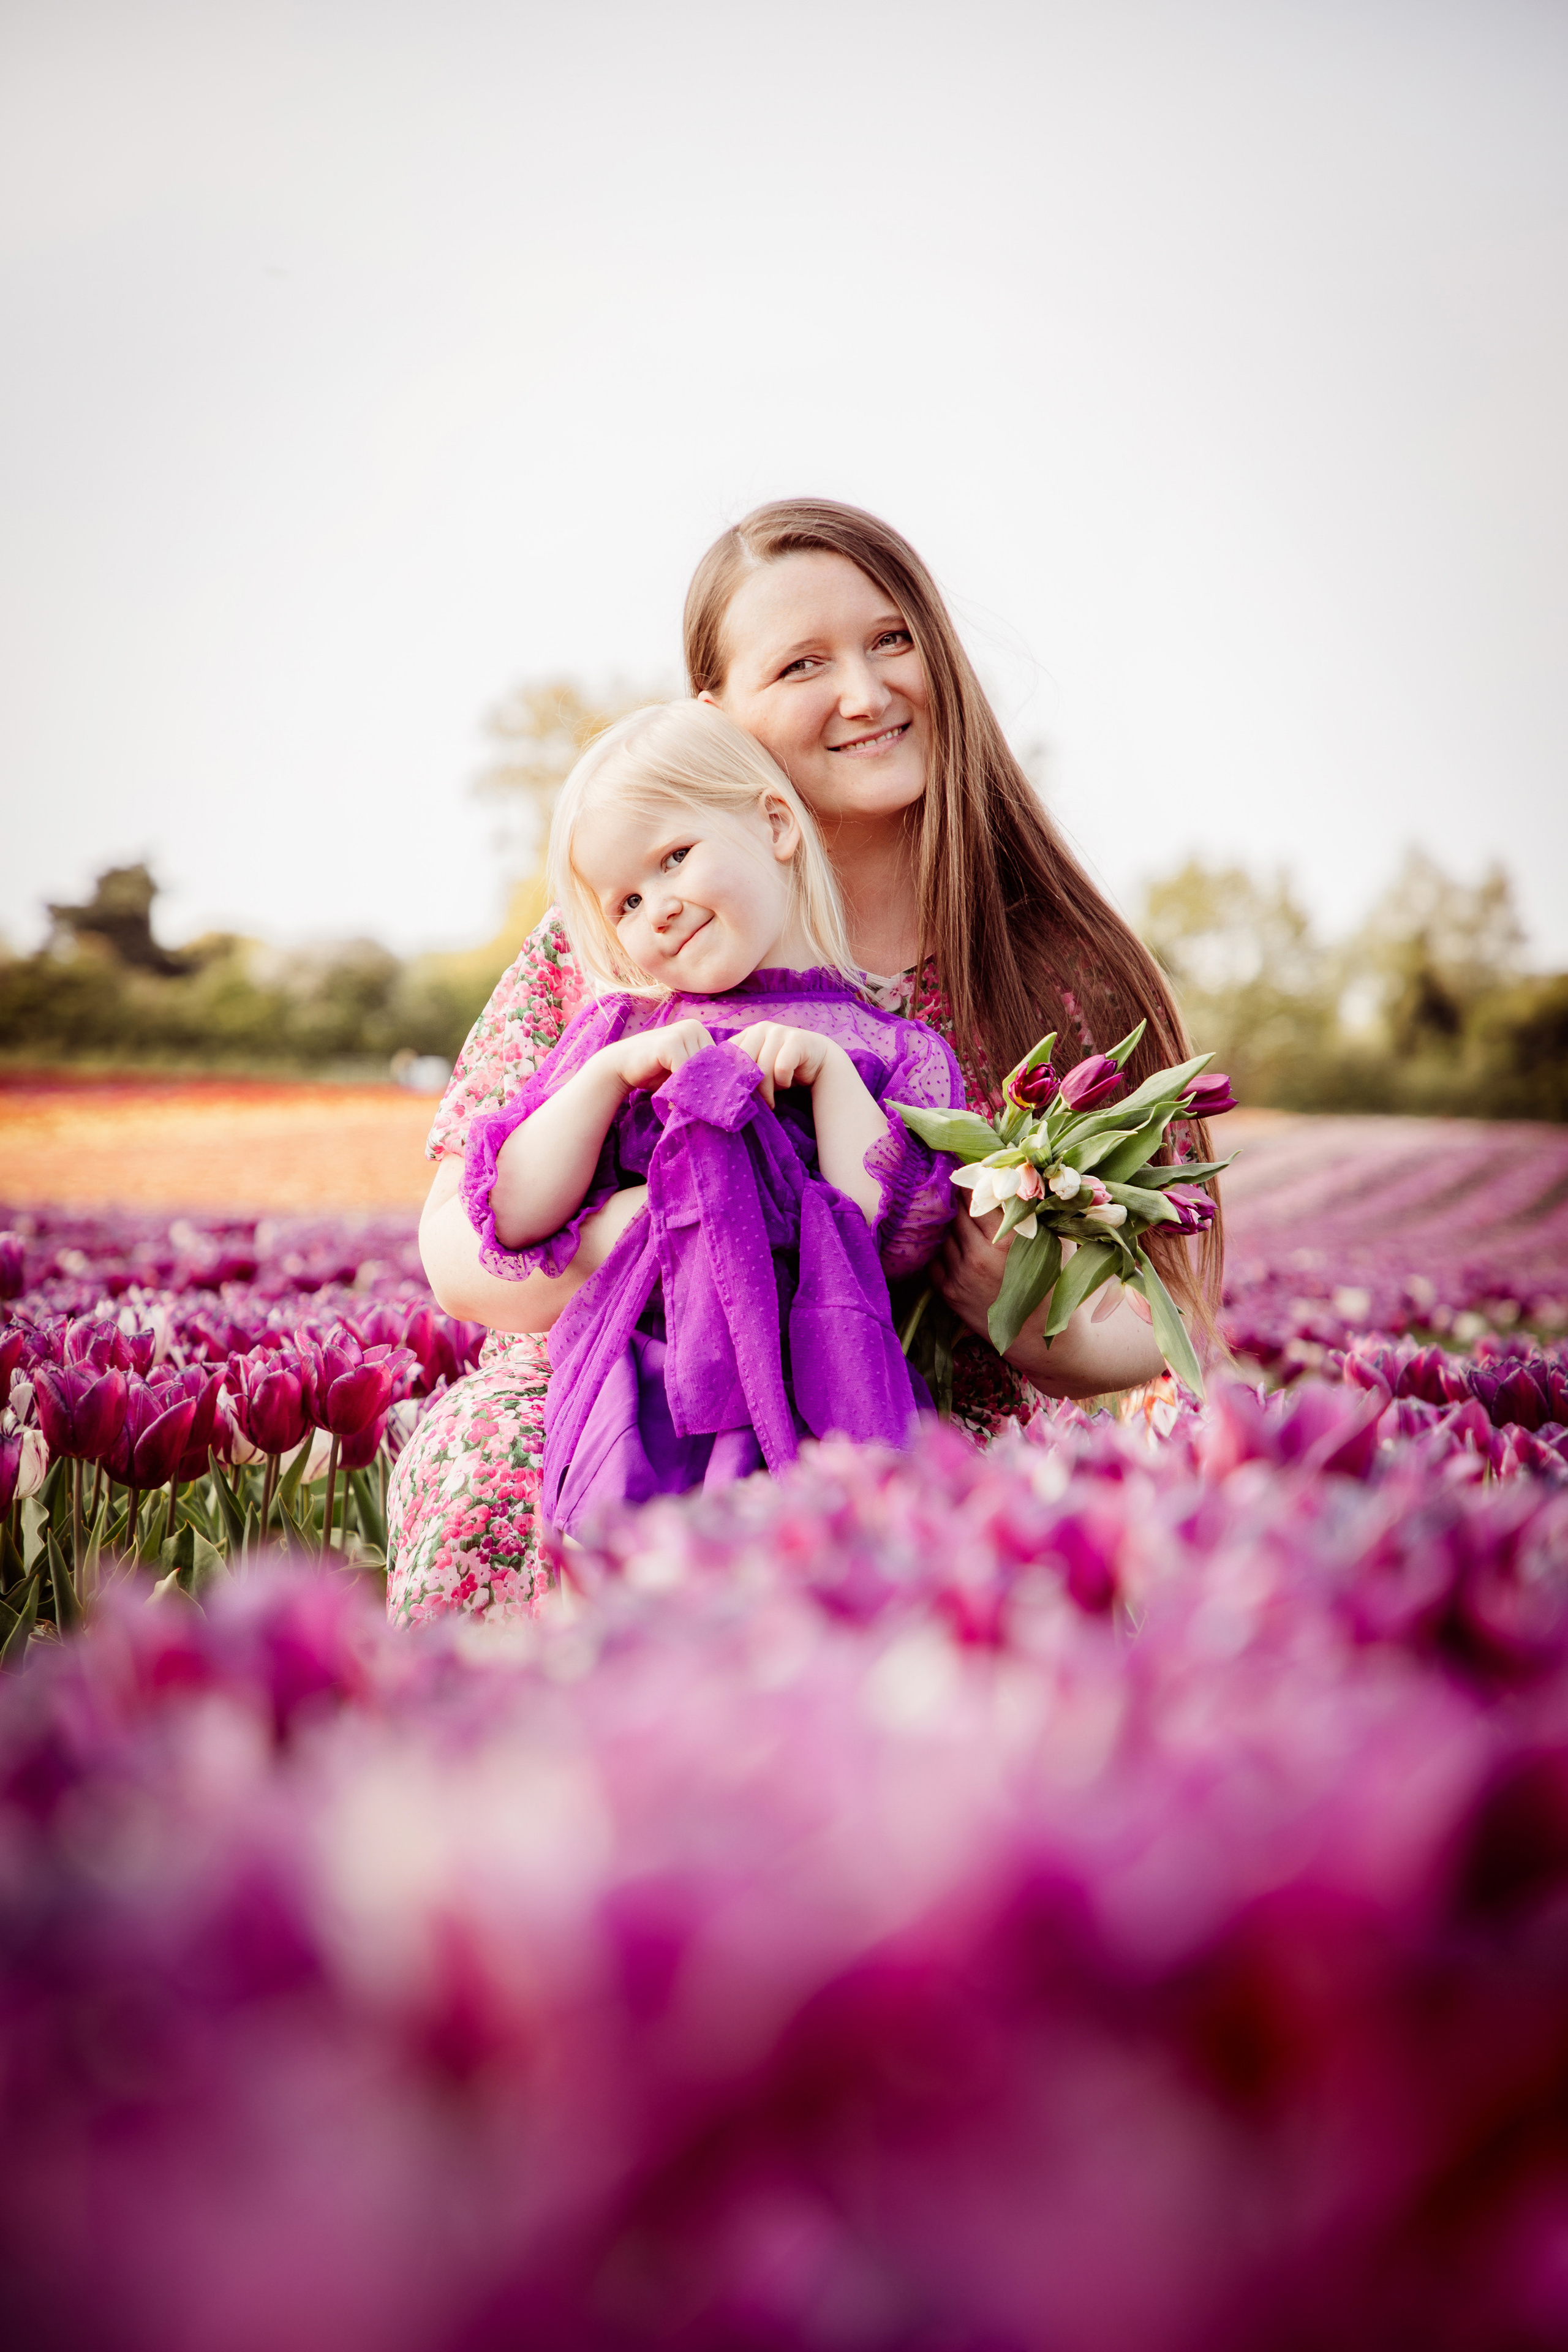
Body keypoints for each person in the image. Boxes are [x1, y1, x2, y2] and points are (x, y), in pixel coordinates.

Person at [390, 499, 1221, 1626]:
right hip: (621, 1388)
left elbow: (1168, 1311)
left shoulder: (1051, 970)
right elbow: (455, 1242)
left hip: (911, 1408)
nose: (868, 694)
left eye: (892, 639)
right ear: (717, 714)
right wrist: (635, 1239)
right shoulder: (627, 944)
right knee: (498, 1475)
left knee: (964, 1550)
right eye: (801, 664)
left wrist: (1017, 1309)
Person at [461, 700, 962, 1536]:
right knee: (631, 1581)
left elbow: (897, 1237)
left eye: (675, 858)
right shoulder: (621, 1033)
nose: (655, 907)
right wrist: (606, 1080)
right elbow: (512, 1212)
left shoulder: (882, 1046)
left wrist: (832, 1080)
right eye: (624, 901)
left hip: (825, 1378)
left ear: (774, 825)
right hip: (649, 1389)